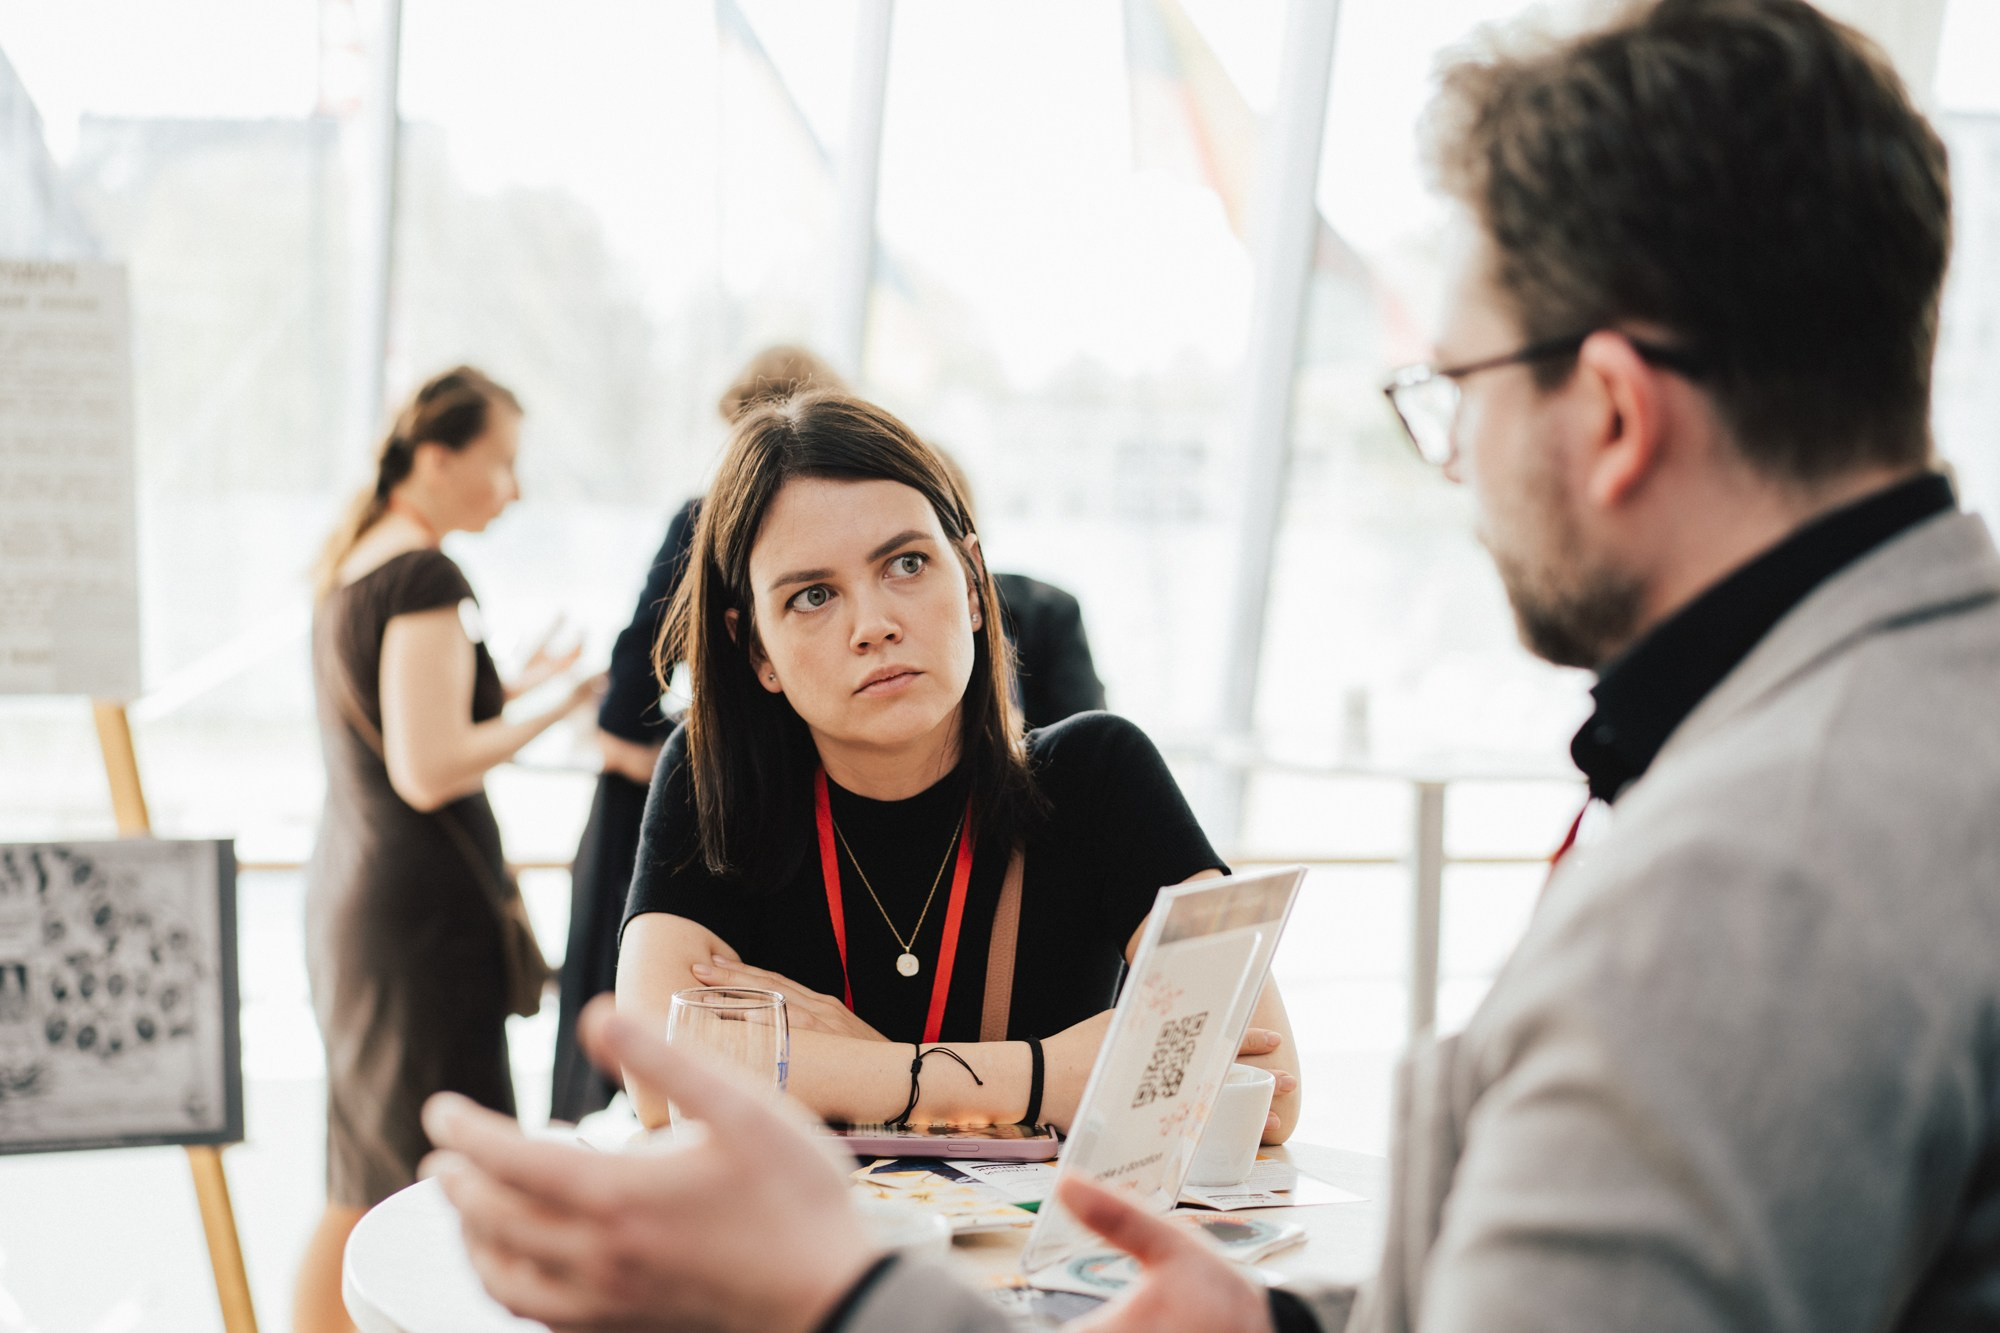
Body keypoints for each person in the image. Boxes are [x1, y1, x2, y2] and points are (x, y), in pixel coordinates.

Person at [427, 0, 2000, 1327]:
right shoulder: (1904, 734)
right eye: (810, 598)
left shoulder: (1760, 874)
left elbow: (1244, 1079)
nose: (1453, 461)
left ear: (1610, 412)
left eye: (1452, 391)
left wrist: (841, 1290)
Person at [615, 390, 1302, 1136]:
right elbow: (657, 1075)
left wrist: (859, 1065)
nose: (874, 625)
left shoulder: (1101, 773)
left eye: (907, 563)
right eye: (813, 596)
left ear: (972, 581)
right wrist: (1051, 1076)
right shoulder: (716, 782)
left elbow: (1265, 1090)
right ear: (757, 650)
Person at [294, 367, 601, 1333]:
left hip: (359, 900)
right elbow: (427, 766)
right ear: (435, 458)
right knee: (421, 1183)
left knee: (365, 1174)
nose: (512, 487)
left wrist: (513, 687)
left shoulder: (358, 566)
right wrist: (562, 704)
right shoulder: (426, 575)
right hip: (417, 921)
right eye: (499, 461)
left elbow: (404, 721)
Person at [551, 345, 844, 1123]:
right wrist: (713, 760)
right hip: (702, 813)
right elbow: (626, 707)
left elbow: (623, 704)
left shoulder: (710, 520)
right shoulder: (707, 523)